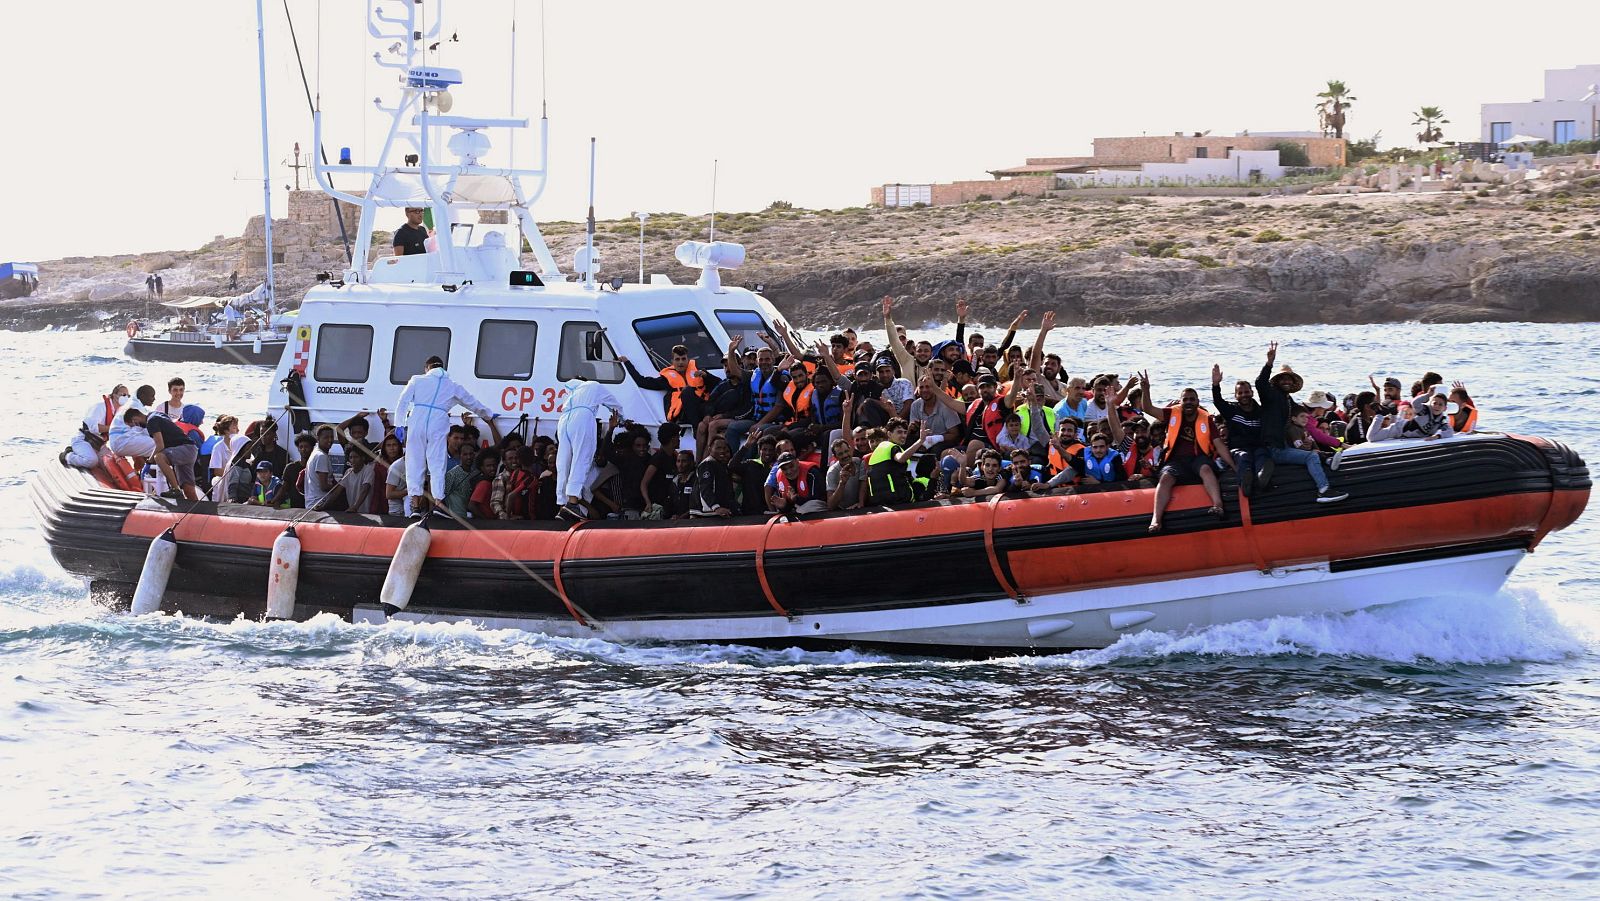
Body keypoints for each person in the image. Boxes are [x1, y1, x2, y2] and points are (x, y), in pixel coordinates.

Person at [394, 355, 501, 515]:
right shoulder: (452, 386)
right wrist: (488, 415)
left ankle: (415, 506)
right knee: (437, 463)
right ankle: (438, 504)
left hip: (417, 421)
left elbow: (402, 402)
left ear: (427, 368)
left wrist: (399, 424)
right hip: (438, 422)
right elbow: (472, 402)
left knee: (414, 462)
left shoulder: (417, 380)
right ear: (442, 367)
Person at [1257, 342, 1347, 504]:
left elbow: (1302, 417)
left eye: (1289, 379)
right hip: (1275, 449)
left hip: (1284, 445)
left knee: (1312, 450)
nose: (1286, 381)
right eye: (1283, 378)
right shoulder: (1270, 395)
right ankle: (1324, 490)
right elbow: (1260, 383)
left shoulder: (1287, 399)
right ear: (1277, 381)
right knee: (1311, 457)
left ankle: (1326, 459)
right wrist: (1269, 363)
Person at [1134, 374, 1225, 532]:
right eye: (1185, 399)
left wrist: (1233, 466)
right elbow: (1148, 409)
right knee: (1165, 478)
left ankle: (1218, 505)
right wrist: (1145, 389)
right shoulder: (1171, 414)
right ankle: (1156, 520)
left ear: (1198, 402)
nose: (1189, 402)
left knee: (1206, 469)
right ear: (1180, 401)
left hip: (1199, 458)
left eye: (1192, 399)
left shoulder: (1207, 419)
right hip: (1176, 461)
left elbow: (1219, 445)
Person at [554, 380, 622, 521]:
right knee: (582, 459)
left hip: (563, 421)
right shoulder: (593, 386)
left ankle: (562, 505)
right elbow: (613, 404)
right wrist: (623, 418)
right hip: (582, 418)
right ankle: (573, 503)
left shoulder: (571, 393)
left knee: (563, 462)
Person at [123, 408, 199, 500]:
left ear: (134, 419)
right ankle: (196, 506)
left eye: (134, 425)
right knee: (188, 488)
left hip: (184, 449)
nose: (136, 427)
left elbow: (160, 445)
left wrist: (148, 462)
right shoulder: (157, 415)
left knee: (159, 457)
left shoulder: (151, 421)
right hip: (190, 449)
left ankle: (175, 489)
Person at [1210, 364, 1264, 495]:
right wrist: (1216, 385)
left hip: (1257, 447)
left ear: (1252, 393)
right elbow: (1218, 401)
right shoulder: (1231, 410)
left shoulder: (1261, 411)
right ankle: (1245, 482)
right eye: (1240, 393)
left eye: (1246, 392)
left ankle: (1262, 477)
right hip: (1238, 449)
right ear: (1236, 396)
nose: (1244, 395)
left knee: (1262, 454)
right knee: (1243, 457)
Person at [64, 383, 130, 469]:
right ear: (114, 395)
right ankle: (67, 456)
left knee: (114, 464)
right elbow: (93, 428)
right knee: (91, 461)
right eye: (123, 395)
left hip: (99, 445)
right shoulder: (100, 407)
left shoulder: (120, 412)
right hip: (84, 440)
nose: (126, 397)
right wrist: (114, 428)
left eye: (128, 396)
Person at [865, 419, 926, 506]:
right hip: (897, 499)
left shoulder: (878, 450)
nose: (903, 435)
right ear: (889, 434)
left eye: (905, 432)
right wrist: (920, 440)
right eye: (899, 432)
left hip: (877, 501)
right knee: (925, 481)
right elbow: (901, 458)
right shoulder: (892, 447)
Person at [303, 425, 338, 511]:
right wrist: (340, 487)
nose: (330, 440)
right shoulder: (321, 456)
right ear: (318, 438)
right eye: (326, 437)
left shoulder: (315, 453)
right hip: (319, 504)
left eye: (331, 437)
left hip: (313, 503)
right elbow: (324, 486)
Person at [825, 437, 863, 511]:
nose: (845, 455)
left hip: (862, 507)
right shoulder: (832, 472)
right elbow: (830, 505)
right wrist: (842, 483)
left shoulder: (859, 462)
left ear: (850, 449)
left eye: (846, 451)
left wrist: (861, 503)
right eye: (840, 454)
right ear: (835, 457)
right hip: (844, 511)